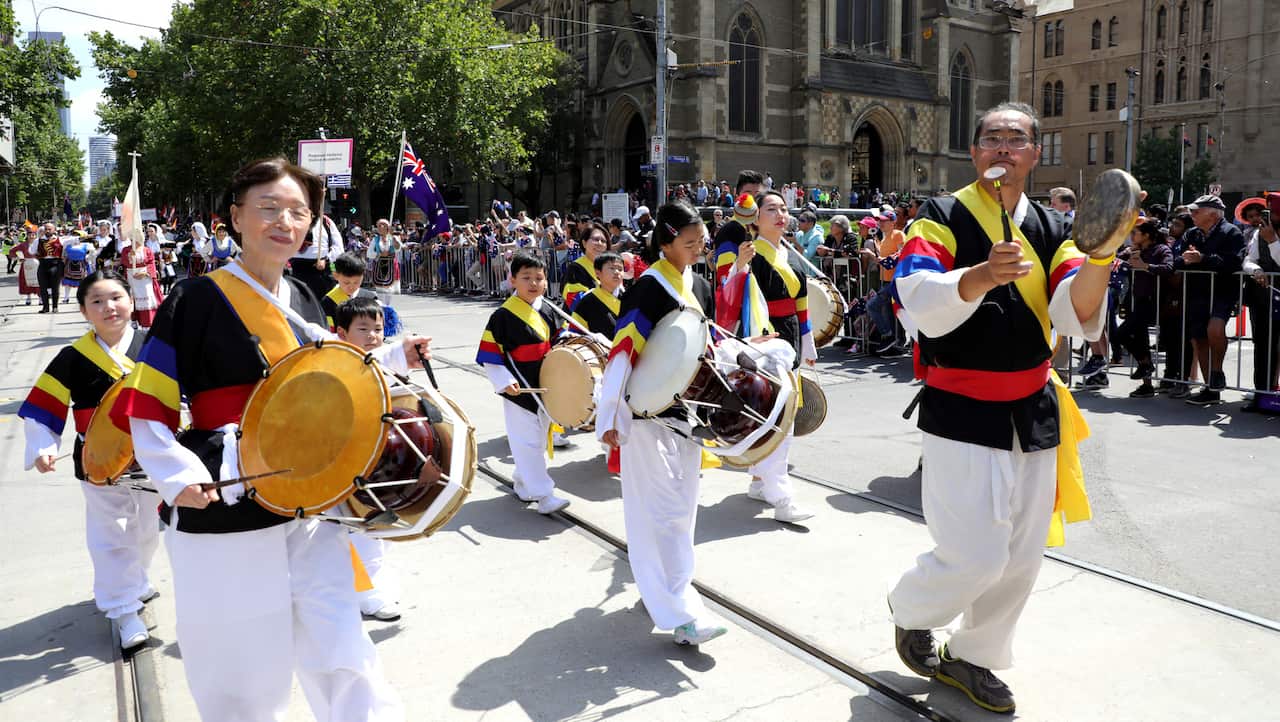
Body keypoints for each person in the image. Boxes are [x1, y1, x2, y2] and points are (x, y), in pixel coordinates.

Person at [115, 157, 424, 721]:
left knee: (340, 642)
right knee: (242, 661)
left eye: (299, 212)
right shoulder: (194, 297)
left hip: (311, 489)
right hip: (227, 490)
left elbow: (335, 378)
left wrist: (393, 358)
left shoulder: (304, 295)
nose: (286, 222)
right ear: (236, 218)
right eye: (269, 208)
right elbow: (148, 401)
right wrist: (177, 477)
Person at [888, 102, 1112, 715]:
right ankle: (911, 609)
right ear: (974, 152)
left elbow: (1075, 311)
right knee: (975, 555)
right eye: (992, 138)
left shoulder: (1052, 226)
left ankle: (973, 656)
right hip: (961, 405)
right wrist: (981, 276)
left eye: (1017, 139)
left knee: (1019, 556)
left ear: (1035, 154)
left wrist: (1102, 256)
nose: (1003, 148)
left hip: (1034, 404)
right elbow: (916, 297)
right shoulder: (939, 216)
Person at [596, 199, 728, 646]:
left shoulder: (700, 285)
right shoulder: (648, 288)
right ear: (666, 241)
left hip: (688, 412)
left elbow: (703, 345)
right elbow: (623, 352)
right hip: (646, 414)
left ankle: (670, 588)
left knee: (683, 510)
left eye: (702, 241)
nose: (699, 248)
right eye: (690, 242)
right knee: (659, 511)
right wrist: (611, 412)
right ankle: (680, 613)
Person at [20, 269, 159, 651]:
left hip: (153, 458)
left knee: (148, 531)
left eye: (116, 297)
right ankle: (124, 610)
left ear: (131, 300)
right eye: (96, 301)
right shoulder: (72, 357)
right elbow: (42, 406)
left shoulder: (155, 347)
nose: (108, 307)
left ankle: (137, 581)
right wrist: (43, 446)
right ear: (83, 310)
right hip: (98, 463)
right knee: (112, 534)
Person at [717, 190, 817, 524]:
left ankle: (760, 481)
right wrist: (739, 267)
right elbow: (728, 296)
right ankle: (782, 499)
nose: (780, 214)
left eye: (784, 209)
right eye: (771, 209)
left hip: (790, 339)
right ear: (756, 218)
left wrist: (808, 346)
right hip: (764, 342)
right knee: (777, 418)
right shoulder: (751, 254)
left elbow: (802, 306)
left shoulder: (789, 254)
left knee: (778, 415)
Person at [475, 251, 572, 514]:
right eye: (526, 277)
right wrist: (504, 381)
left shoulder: (549, 309)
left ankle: (522, 481)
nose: (533, 283)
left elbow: (561, 339)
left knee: (536, 441)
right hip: (520, 388)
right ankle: (544, 495)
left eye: (539, 278)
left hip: (547, 384)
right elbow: (490, 355)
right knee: (527, 442)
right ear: (512, 280)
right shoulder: (502, 316)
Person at [333, 295, 404, 622]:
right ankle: (368, 595)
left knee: (381, 528)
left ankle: (372, 586)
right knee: (362, 529)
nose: (373, 336)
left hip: (382, 460)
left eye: (378, 329)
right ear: (342, 333)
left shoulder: (383, 363)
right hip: (349, 462)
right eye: (363, 329)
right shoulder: (336, 364)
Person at [1173, 194, 1245, 405]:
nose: (1192, 214)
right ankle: (1210, 389)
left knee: (1215, 328)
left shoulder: (1231, 232)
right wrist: (1186, 260)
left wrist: (1202, 259)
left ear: (1212, 214)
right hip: (1196, 291)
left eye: (1197, 211)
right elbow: (1176, 260)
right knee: (1199, 339)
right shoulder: (1191, 234)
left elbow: (1234, 262)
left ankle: (1217, 371)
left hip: (1222, 290)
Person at [1116, 220, 1175, 398]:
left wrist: (1146, 266)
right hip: (1136, 299)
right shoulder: (1135, 250)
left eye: (1135, 233)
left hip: (1154, 300)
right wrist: (1127, 253)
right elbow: (1116, 260)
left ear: (1147, 235)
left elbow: (1169, 268)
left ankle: (1145, 364)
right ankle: (1146, 383)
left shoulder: (1161, 250)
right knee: (1140, 339)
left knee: (1121, 333)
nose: (1132, 236)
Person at [1241, 199, 1280, 411]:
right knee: (1263, 346)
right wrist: (1255, 270)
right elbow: (1249, 259)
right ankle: (1262, 395)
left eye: (1273, 213)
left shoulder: (1268, 234)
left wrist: (1273, 241)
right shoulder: (1260, 232)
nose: (1268, 217)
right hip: (1264, 298)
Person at [569, 251, 625, 339]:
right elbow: (575, 333)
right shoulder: (586, 302)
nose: (617, 272)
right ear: (598, 272)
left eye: (620, 269)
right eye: (612, 268)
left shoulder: (629, 298)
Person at [323, 252, 379, 332]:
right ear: (336, 275)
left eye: (356, 282)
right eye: (346, 282)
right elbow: (329, 330)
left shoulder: (370, 298)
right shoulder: (328, 301)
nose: (351, 287)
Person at [290, 212, 340, 300]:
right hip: (294, 269)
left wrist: (326, 260)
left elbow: (338, 248)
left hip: (320, 268)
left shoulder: (325, 221)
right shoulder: (289, 219)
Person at [119, 230, 164, 329]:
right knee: (134, 299)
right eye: (133, 239)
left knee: (146, 300)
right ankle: (135, 320)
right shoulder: (126, 250)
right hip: (132, 278)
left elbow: (151, 263)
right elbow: (124, 263)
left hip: (145, 279)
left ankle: (148, 323)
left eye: (138, 239)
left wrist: (145, 273)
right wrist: (130, 257)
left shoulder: (147, 250)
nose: (135, 241)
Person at [562, 222, 608, 310]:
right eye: (595, 239)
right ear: (584, 243)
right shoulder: (575, 269)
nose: (599, 243)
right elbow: (574, 301)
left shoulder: (610, 267)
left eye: (603, 241)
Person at [366, 218, 403, 305]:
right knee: (381, 289)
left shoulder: (393, 238)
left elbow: (398, 249)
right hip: (380, 265)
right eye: (378, 226)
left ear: (387, 227)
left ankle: (387, 306)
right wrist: (379, 254)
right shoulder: (375, 240)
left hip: (391, 265)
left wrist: (395, 241)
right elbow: (369, 253)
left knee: (389, 289)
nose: (379, 227)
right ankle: (382, 306)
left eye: (382, 225)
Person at [36, 222, 64, 313]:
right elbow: (31, 251)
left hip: (55, 264)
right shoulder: (39, 240)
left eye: (49, 229)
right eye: (46, 229)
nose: (47, 231)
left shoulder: (60, 239)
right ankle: (45, 307)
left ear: (54, 230)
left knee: (55, 287)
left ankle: (55, 307)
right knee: (43, 287)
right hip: (43, 264)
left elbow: (73, 240)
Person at [61, 230, 96, 305]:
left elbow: (93, 253)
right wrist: (64, 259)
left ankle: (81, 298)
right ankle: (66, 298)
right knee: (67, 282)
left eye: (78, 235)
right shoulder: (68, 244)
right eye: (74, 234)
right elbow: (63, 254)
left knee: (82, 283)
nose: (75, 236)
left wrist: (88, 258)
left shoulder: (87, 245)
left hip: (82, 265)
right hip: (69, 265)